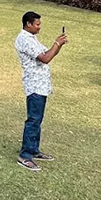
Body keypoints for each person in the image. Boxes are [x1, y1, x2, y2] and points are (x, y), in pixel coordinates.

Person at [15, 11, 68, 172]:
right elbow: (44, 58)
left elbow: (48, 54)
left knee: (38, 120)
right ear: (28, 24)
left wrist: (59, 44)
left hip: (42, 85)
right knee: (33, 120)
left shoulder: (32, 38)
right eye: (37, 24)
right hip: (34, 85)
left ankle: (33, 150)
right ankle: (25, 156)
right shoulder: (24, 39)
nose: (39, 27)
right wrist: (56, 43)